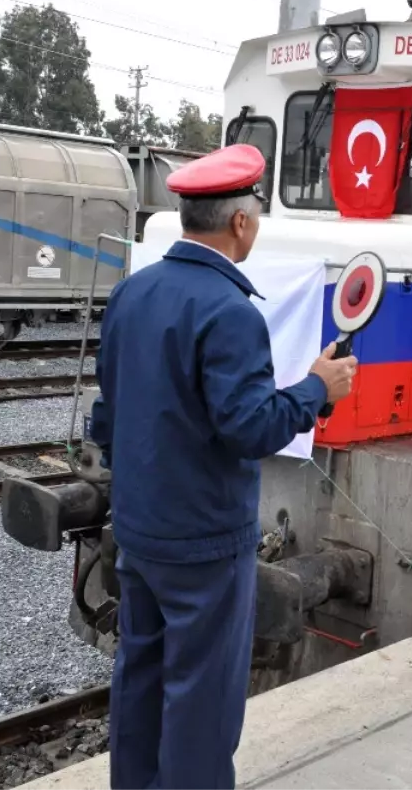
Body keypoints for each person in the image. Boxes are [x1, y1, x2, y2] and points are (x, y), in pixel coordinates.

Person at [88, 143, 357, 790]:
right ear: (240, 223)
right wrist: (317, 387)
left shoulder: (133, 291)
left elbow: (108, 414)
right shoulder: (231, 310)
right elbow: (250, 427)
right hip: (204, 542)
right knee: (202, 701)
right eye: (256, 212)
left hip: (140, 529)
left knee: (140, 675)